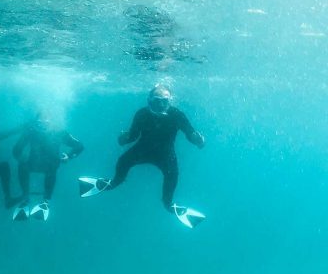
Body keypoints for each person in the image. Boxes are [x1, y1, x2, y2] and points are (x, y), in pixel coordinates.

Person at [78, 84, 206, 228]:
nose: (161, 105)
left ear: (170, 101)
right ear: (150, 101)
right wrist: (123, 138)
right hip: (142, 149)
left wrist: (198, 140)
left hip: (165, 154)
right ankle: (112, 183)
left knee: (173, 175)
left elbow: (190, 133)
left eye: (165, 101)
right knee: (123, 161)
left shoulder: (177, 114)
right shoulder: (142, 114)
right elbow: (132, 136)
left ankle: (169, 204)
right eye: (158, 101)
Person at [12, 112, 83, 221]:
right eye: (40, 123)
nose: (43, 126)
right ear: (36, 122)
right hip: (34, 163)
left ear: (52, 123)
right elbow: (16, 149)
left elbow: (79, 146)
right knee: (23, 165)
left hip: (49, 164)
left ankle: (45, 200)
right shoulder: (31, 131)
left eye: (46, 123)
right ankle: (26, 197)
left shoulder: (60, 132)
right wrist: (20, 157)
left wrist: (69, 156)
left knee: (50, 167)